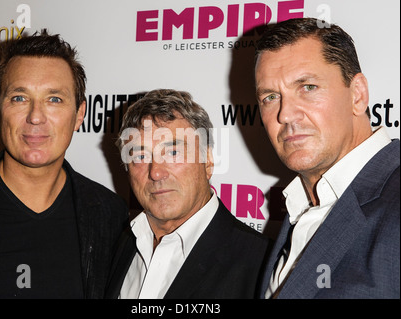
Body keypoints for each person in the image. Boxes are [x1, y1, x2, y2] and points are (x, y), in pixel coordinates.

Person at [0, 30, 128, 299]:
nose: (35, 117)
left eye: (54, 99)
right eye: (19, 98)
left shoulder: (110, 215)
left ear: (79, 114)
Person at [254, 18, 400, 298]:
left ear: (357, 95)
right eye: (271, 97)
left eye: (308, 87)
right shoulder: (299, 207)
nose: (285, 115)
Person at [105, 89, 269, 299]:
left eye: (173, 152)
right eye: (140, 155)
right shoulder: (119, 243)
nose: (156, 172)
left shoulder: (261, 264)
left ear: (208, 161)